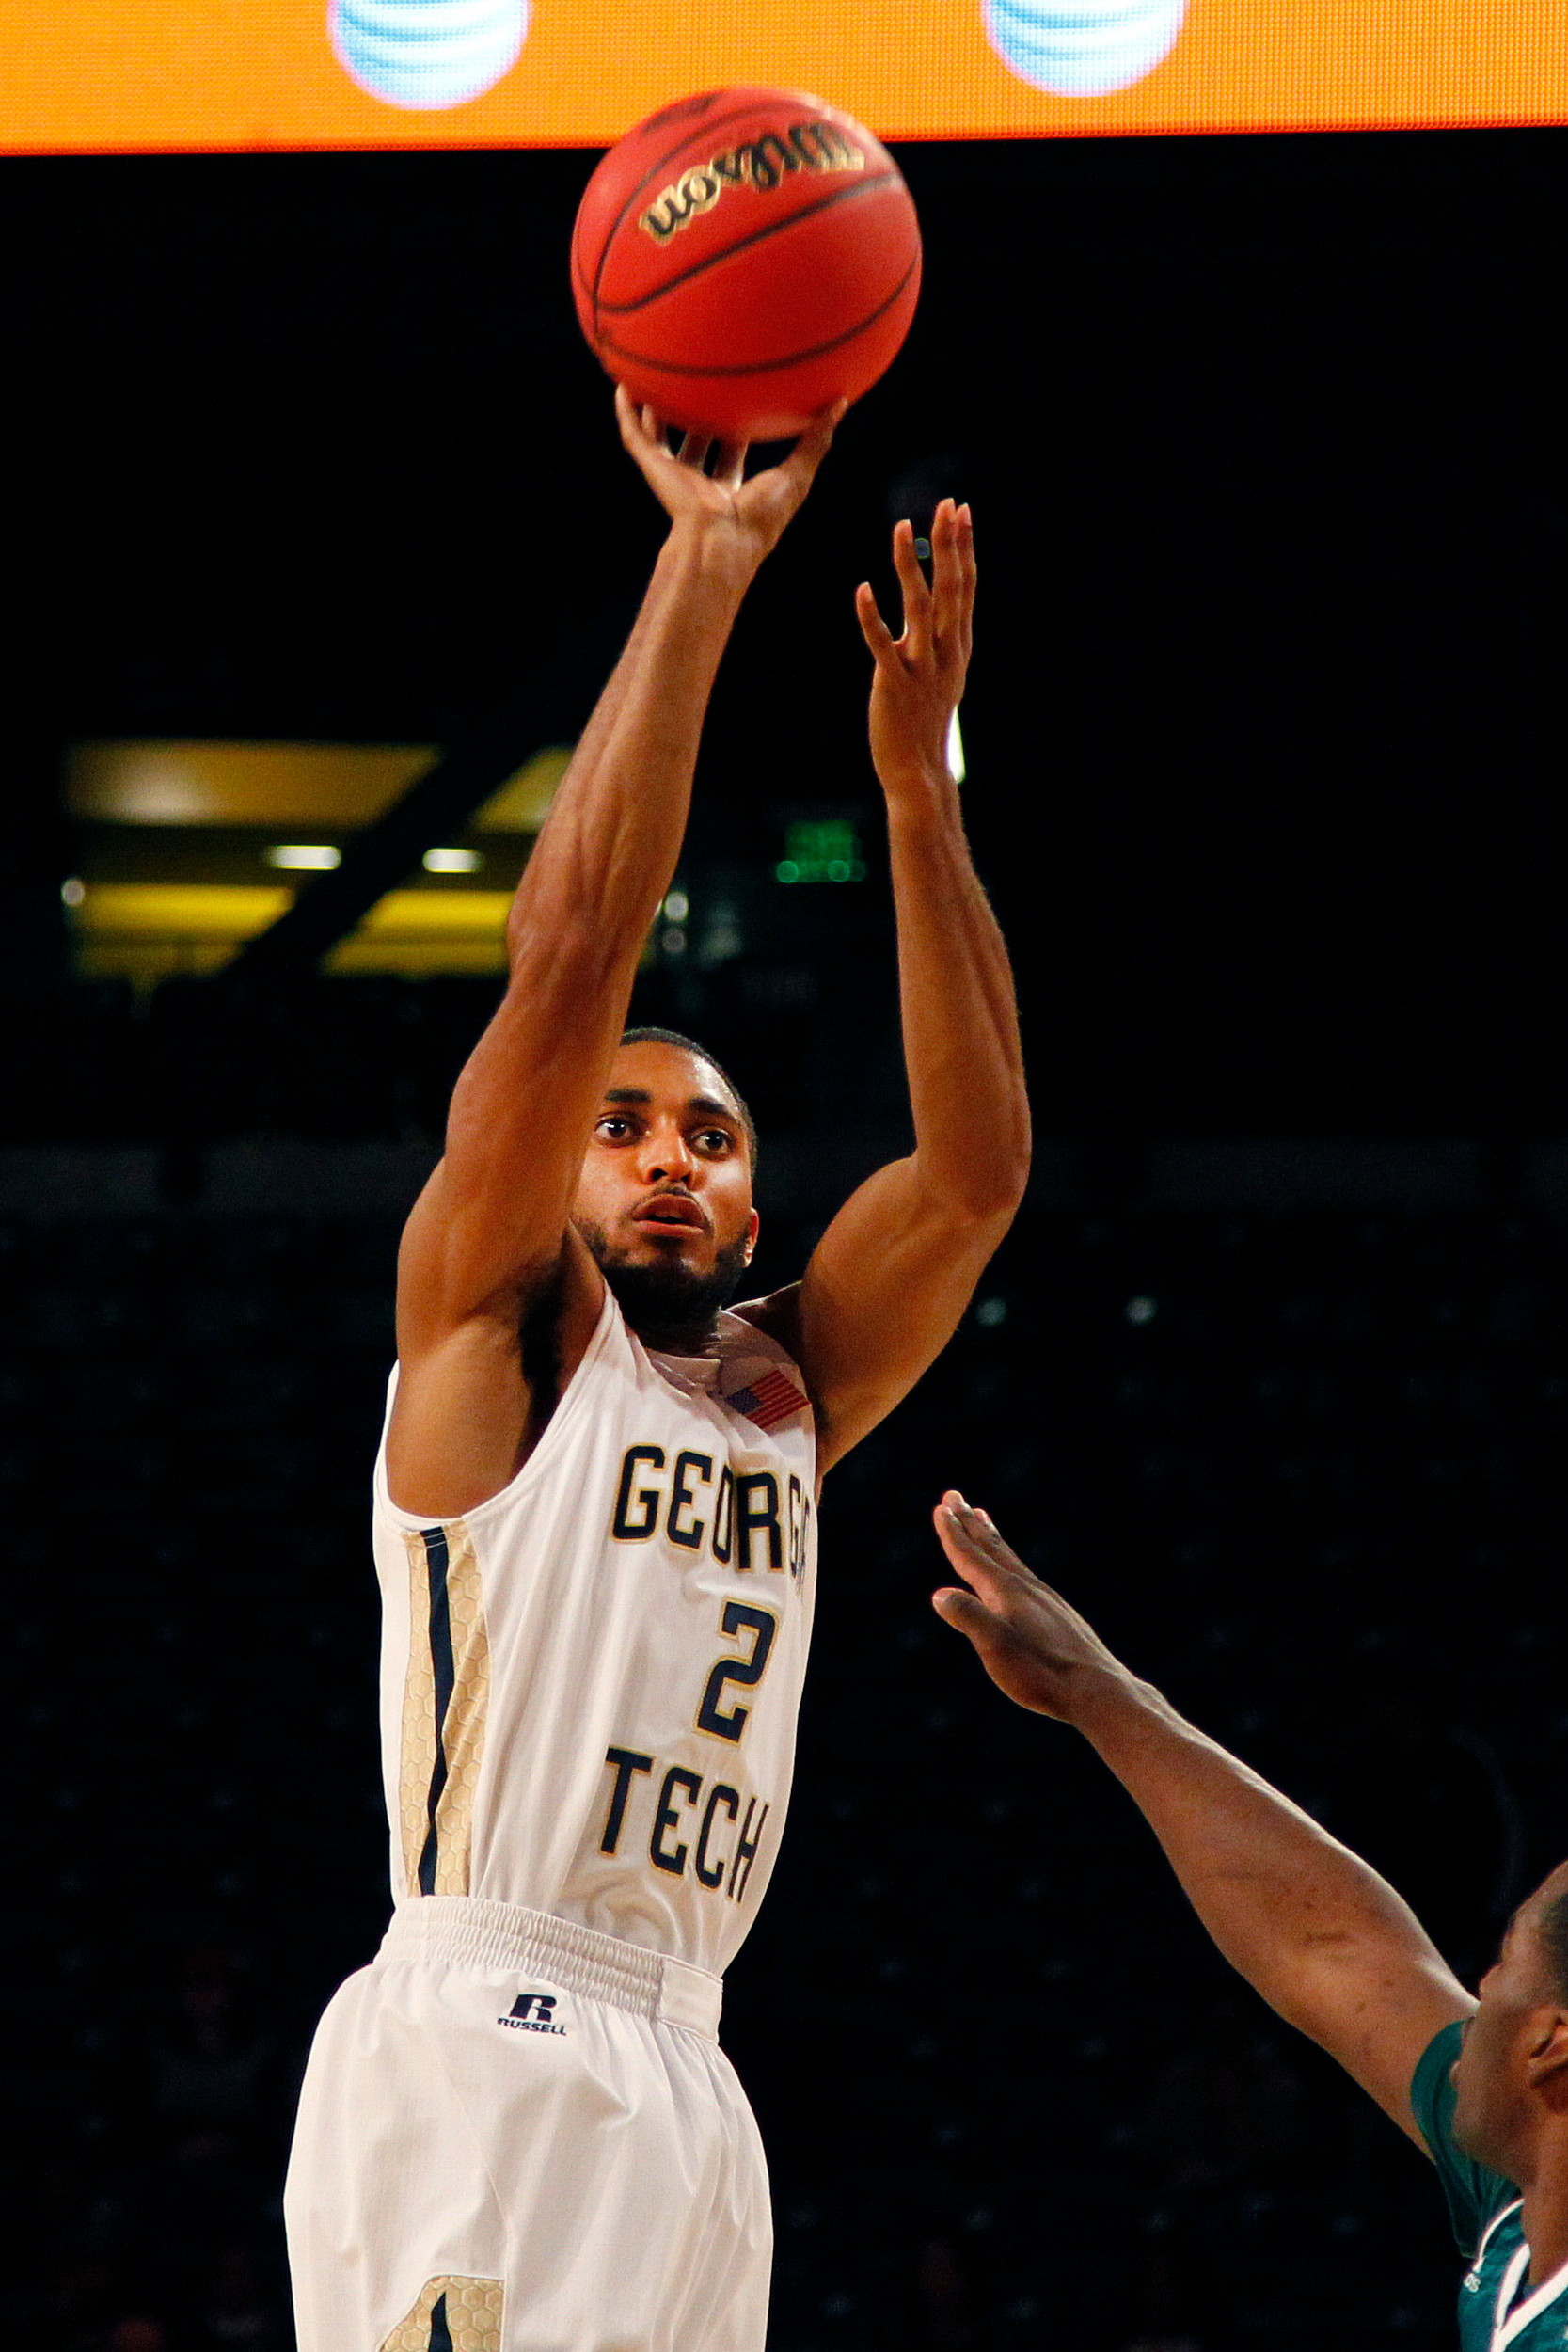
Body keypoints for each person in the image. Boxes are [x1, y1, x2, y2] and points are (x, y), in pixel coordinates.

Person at [282, 391, 1030, 2352]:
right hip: (481, 2040)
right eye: (624, 1127)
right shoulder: (496, 1331)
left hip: (690, 2061)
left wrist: (914, 796)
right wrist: (704, 569)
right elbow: (572, 948)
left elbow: (973, 1173)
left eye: (708, 1136)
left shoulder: (781, 1393)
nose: (667, 1156)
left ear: (759, 1202)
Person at [928, 1494, 1568, 2349]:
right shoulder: (1524, 2200)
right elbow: (1335, 1947)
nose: (1474, 1991)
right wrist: (1092, 1689)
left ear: (1550, 2045)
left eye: (1502, 1968)